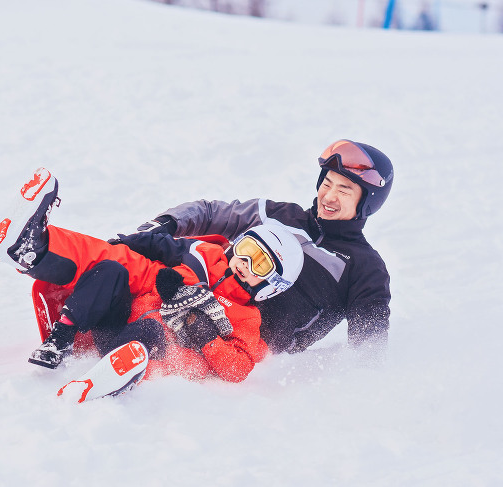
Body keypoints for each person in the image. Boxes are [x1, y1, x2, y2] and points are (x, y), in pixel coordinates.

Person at [0, 168, 304, 401]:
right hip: (119, 327)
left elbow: (238, 368)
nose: (244, 263)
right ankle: (37, 261)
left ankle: (106, 379)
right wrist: (129, 241)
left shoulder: (248, 319)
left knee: (153, 328)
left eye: (259, 263)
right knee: (114, 266)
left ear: (271, 284)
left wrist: (205, 336)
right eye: (247, 251)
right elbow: (162, 245)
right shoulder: (206, 256)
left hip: (156, 354)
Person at [133, 139, 394, 359]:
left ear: (367, 202)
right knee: (125, 276)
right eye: (327, 184)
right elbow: (212, 213)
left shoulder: (364, 268)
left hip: (237, 348)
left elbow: (369, 350)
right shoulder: (280, 215)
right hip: (194, 296)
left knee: (160, 342)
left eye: (344, 190)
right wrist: (165, 224)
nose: (328, 197)